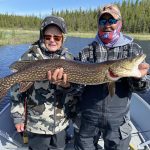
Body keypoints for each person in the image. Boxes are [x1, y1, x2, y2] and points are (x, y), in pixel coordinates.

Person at [74, 4, 150, 150]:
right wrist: (66, 84)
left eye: (112, 21)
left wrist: (138, 78)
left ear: (119, 23)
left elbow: (144, 89)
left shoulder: (133, 50)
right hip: (88, 118)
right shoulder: (87, 51)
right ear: (98, 25)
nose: (107, 25)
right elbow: (76, 89)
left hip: (118, 120)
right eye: (103, 22)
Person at [10, 15, 76, 150]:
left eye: (57, 37)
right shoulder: (29, 57)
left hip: (61, 125)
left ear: (63, 38)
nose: (52, 40)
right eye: (48, 37)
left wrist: (67, 86)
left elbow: (76, 91)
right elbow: (16, 91)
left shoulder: (70, 59)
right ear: (42, 37)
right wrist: (18, 117)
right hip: (36, 126)